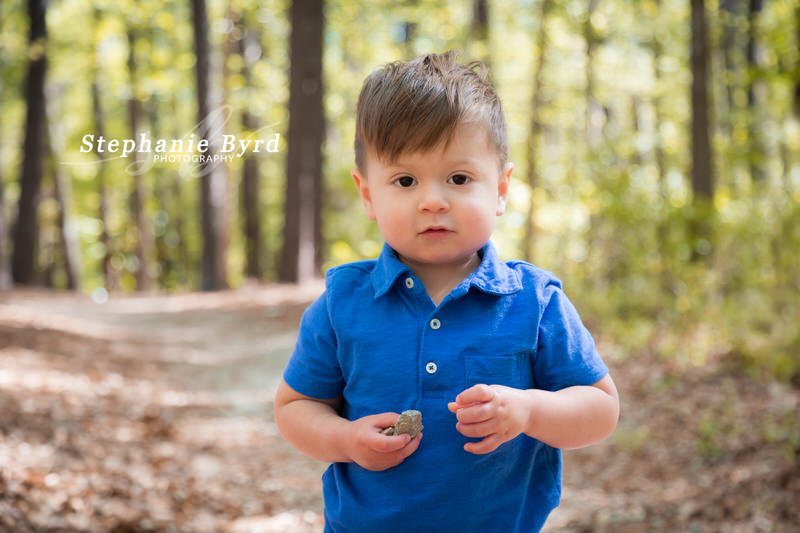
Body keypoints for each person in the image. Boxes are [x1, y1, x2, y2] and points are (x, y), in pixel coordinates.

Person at [274, 50, 619, 533]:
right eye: (405, 180)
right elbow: (295, 406)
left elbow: (601, 408)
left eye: (459, 178)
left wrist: (528, 410)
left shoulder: (533, 301)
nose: (433, 200)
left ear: (500, 189)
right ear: (368, 193)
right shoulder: (342, 304)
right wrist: (345, 439)